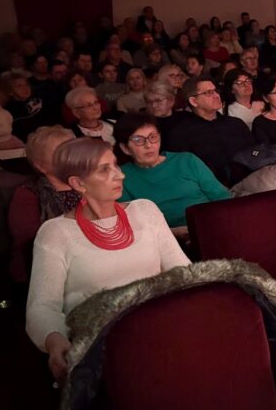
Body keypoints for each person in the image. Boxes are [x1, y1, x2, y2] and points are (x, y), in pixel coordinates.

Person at [25, 138, 190, 381]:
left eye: (116, 165)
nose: (120, 175)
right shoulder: (56, 232)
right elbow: (42, 306)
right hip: (103, 342)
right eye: (104, 169)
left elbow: (182, 271)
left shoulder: (145, 210)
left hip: (161, 325)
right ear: (78, 183)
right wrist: (55, 341)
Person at [114, 113, 230, 232]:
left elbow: (222, 197)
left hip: (211, 227)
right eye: (138, 140)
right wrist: (175, 233)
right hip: (164, 238)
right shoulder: (122, 177)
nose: (148, 145)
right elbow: (133, 225)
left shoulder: (187, 160)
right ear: (125, 148)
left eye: (153, 137)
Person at [8, 126, 79, 282]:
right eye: (61, 153)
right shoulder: (27, 194)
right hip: (43, 266)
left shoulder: (87, 183)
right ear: (40, 165)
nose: (71, 157)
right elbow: (31, 240)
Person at [163, 76, 255, 185]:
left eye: (216, 91)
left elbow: (254, 154)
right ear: (193, 101)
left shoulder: (236, 124)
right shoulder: (181, 133)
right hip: (210, 188)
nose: (216, 95)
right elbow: (184, 171)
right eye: (209, 93)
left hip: (251, 182)